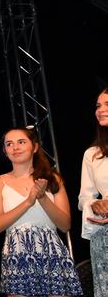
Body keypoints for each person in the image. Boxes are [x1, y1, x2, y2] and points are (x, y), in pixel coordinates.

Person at [0, 126, 82, 297]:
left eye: (21, 142)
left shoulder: (53, 178)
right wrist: (29, 201)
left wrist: (42, 198)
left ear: (35, 147)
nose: (15, 147)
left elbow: (65, 225)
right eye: (9, 144)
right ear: (5, 150)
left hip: (52, 253)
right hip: (18, 254)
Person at [78, 87, 108, 296]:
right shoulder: (92, 154)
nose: (101, 110)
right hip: (104, 235)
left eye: (107, 104)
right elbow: (84, 198)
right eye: (98, 105)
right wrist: (94, 205)